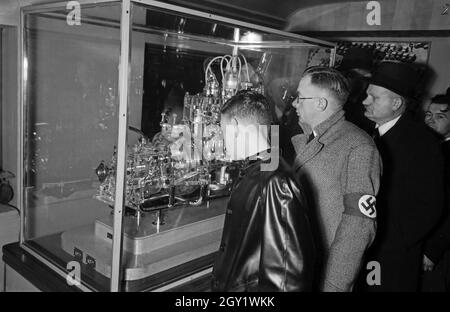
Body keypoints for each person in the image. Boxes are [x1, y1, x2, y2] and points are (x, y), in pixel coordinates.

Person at [211, 90, 316, 292]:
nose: (224, 142)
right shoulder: (260, 170)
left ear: (234, 126)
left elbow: (287, 275)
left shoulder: (277, 180)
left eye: (223, 132)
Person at [291, 66, 382, 292]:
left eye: (300, 97)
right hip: (303, 264)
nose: (294, 103)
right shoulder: (312, 137)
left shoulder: (358, 146)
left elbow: (359, 226)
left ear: (320, 104)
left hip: (326, 272)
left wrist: (335, 285)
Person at [360, 61, 444, 291]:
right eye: (367, 95)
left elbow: (431, 204)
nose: (365, 101)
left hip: (392, 254)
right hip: (368, 245)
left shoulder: (422, 143)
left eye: (374, 97)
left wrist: (393, 240)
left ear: (396, 103)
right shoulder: (371, 134)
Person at [422, 87, 450, 291]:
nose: (431, 120)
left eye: (440, 116)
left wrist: (433, 250)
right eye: (429, 114)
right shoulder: (431, 147)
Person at [336, 47, 376, 134]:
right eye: (353, 75)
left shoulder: (370, 100)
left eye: (367, 78)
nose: (364, 83)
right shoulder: (335, 98)